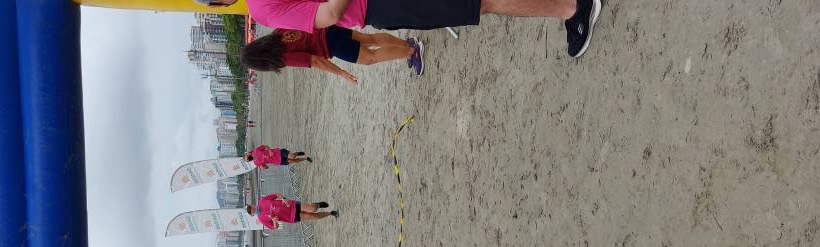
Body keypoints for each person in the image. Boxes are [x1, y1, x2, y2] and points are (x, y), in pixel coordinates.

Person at [195, 0, 602, 58]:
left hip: (380, 3)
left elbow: (330, 14)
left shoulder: (263, 9)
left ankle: (573, 7)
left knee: (479, 3)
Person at [241, 27, 425, 80]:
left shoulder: (282, 57)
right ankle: (407, 45)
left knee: (371, 58)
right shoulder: (277, 33)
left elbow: (315, 61)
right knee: (369, 39)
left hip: (330, 44)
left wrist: (341, 73)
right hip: (329, 30)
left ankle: (411, 52)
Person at [247, 194, 337, 230]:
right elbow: (274, 228)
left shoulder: (262, 201)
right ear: (252, 214)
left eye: (251, 207)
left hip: (291, 205)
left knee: (313, 209)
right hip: (291, 217)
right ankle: (331, 213)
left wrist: (283, 198)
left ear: (252, 205)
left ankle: (317, 205)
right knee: (312, 216)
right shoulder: (261, 219)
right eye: (250, 211)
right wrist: (275, 222)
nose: (252, 209)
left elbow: (277, 195)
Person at [245, 144, 312, 170]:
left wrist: (270, 151)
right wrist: (264, 167)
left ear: (248, 155)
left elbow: (265, 146)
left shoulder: (256, 151)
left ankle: (297, 153)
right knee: (293, 161)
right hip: (278, 161)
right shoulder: (256, 163)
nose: (248, 159)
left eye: (247, 158)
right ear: (248, 161)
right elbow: (266, 167)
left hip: (278, 152)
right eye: (247, 160)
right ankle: (306, 158)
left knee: (293, 156)